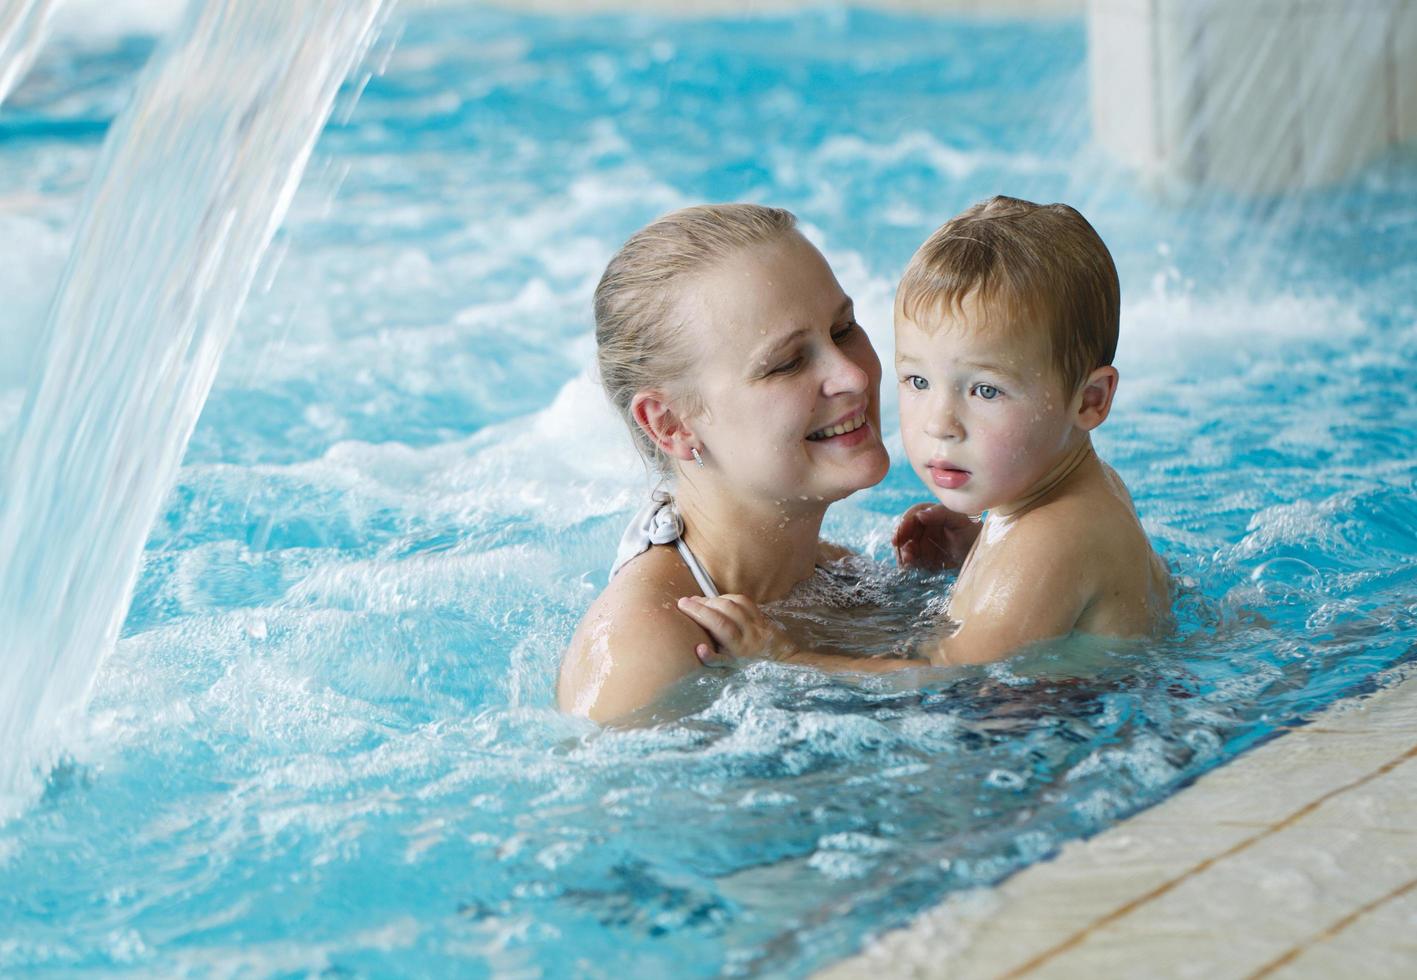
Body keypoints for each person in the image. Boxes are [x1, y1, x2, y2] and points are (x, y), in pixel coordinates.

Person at [678, 196, 1172, 669]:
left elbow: (944, 678)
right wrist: (978, 550)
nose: (939, 424)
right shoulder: (1082, 494)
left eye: (985, 390)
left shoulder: (1050, 543)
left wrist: (787, 656)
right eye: (917, 381)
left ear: (1090, 400)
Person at [556, 203, 934, 723]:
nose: (853, 376)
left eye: (844, 329)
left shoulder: (833, 569)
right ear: (671, 424)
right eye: (786, 363)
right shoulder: (646, 655)